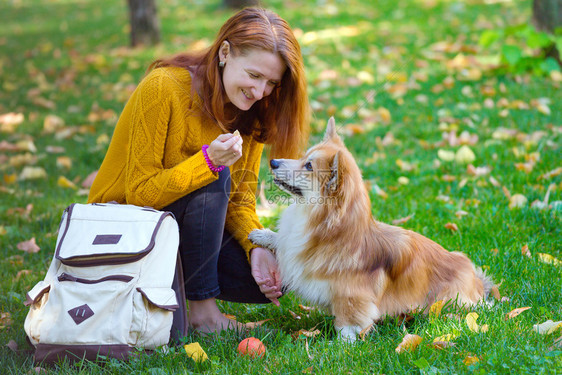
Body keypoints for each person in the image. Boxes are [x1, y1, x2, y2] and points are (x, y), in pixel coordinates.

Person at [87, 7, 310, 334]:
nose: (260, 91)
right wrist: (208, 162)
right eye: (254, 75)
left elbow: (239, 201)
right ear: (224, 53)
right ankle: (203, 313)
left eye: (271, 83)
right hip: (125, 225)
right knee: (215, 175)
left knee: (282, 272)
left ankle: (176, 291)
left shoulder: (253, 112)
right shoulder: (164, 87)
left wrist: (257, 247)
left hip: (184, 228)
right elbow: (141, 193)